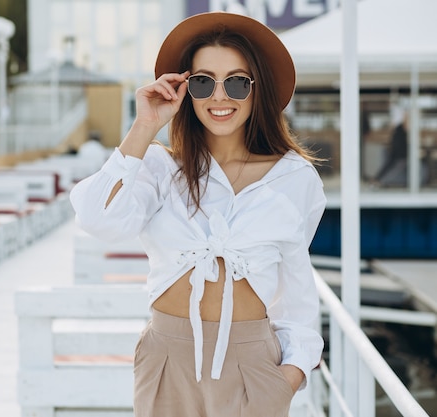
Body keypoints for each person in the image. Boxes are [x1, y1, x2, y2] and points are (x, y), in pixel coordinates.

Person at [70, 12, 326, 417]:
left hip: (253, 368)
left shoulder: (295, 178)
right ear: (186, 89)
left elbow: (295, 290)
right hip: (166, 361)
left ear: (257, 90)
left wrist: (288, 377)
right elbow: (97, 220)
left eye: (238, 82)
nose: (219, 97)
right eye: (204, 82)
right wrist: (144, 126)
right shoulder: (159, 168)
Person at [374, 112, 408, 187]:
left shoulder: (398, 130)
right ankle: (378, 181)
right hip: (400, 157)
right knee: (392, 169)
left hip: (396, 156)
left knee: (388, 167)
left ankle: (378, 180)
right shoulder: (400, 130)